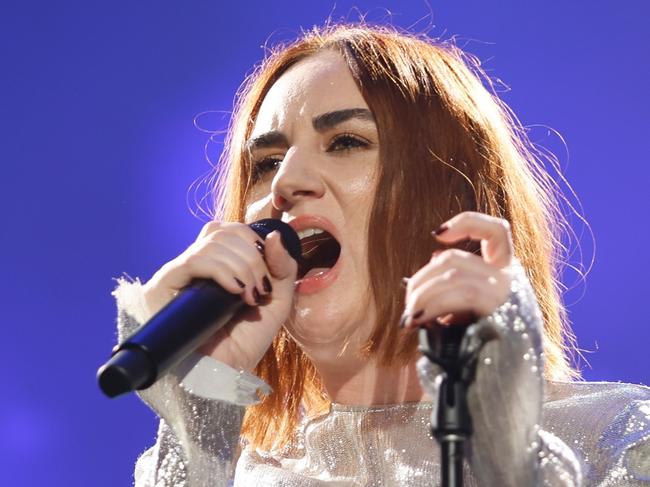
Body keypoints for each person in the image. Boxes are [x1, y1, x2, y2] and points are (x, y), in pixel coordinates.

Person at [112, 23, 650, 486]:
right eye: (267, 163)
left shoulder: (616, 439)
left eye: (346, 142)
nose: (287, 184)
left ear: (454, 195)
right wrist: (200, 423)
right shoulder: (237, 477)